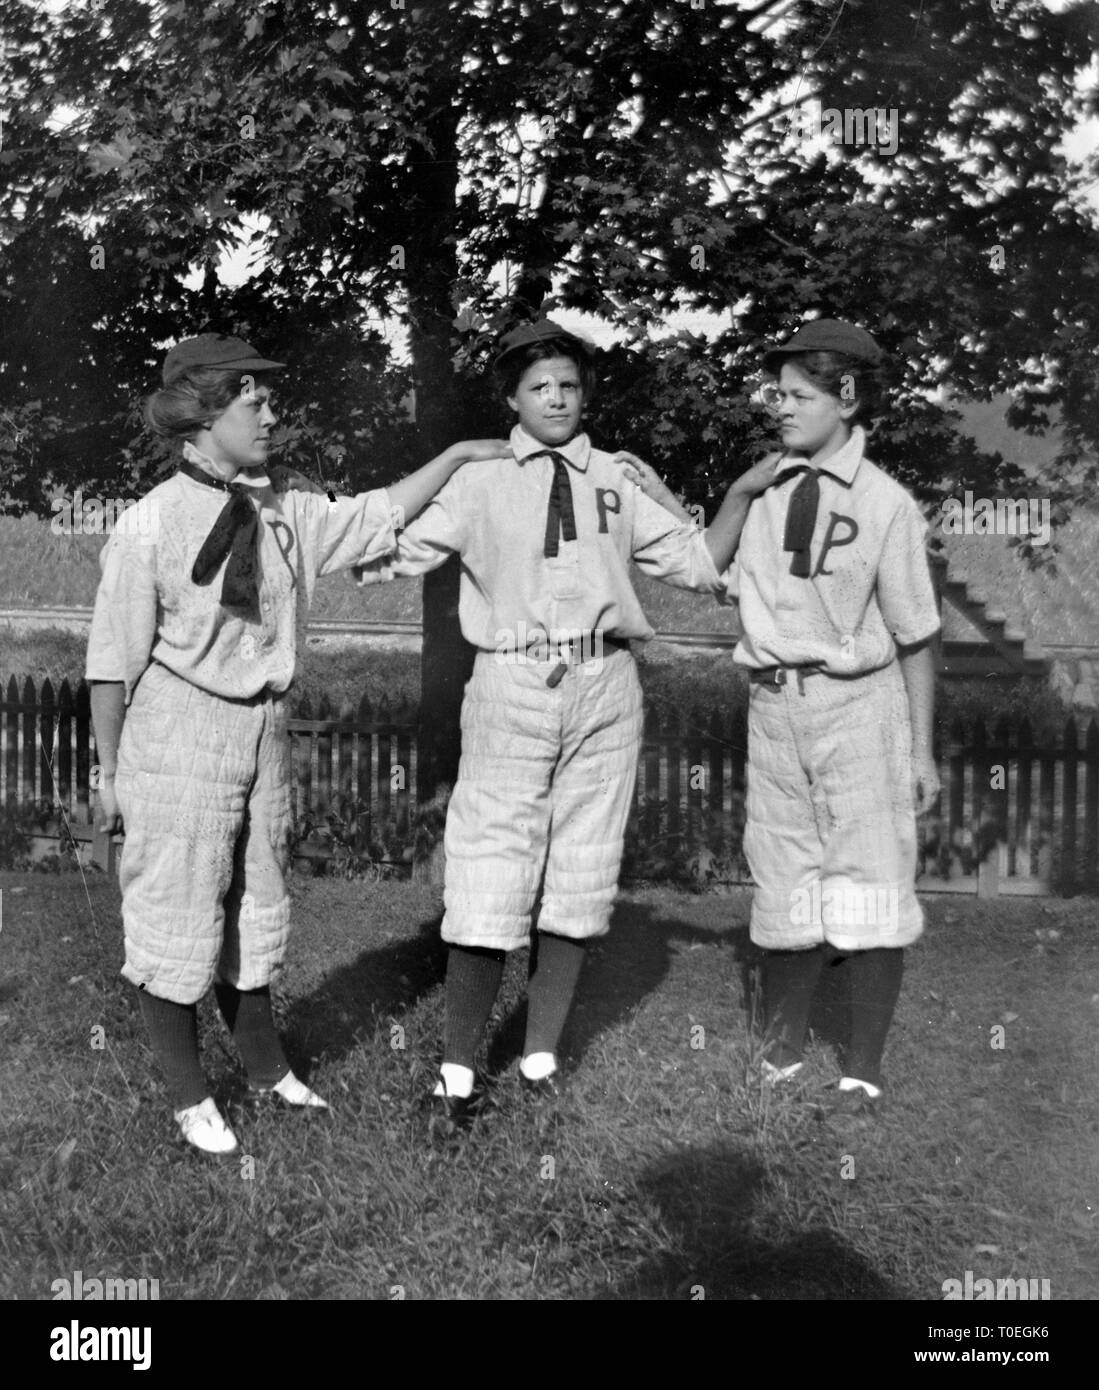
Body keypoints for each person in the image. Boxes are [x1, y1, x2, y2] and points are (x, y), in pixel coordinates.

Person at [86, 332, 507, 1154]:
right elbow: (111, 667)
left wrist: (456, 454)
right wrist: (108, 775)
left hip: (263, 735)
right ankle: (189, 1096)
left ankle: (266, 1068)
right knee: (174, 908)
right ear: (205, 415)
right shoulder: (148, 526)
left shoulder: (287, 510)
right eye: (256, 403)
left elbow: (378, 514)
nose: (273, 416)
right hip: (176, 735)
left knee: (256, 901)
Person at [354, 318, 752, 1129]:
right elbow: (378, 555)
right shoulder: (480, 483)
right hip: (512, 680)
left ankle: (537, 1058)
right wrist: (444, 468)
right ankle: (459, 1075)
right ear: (511, 398)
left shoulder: (614, 478)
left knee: (581, 865)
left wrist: (727, 493)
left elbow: (702, 565)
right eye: (540, 388)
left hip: (606, 681)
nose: (558, 399)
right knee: (490, 868)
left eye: (570, 385)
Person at [629, 319, 940, 1113]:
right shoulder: (767, 491)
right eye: (776, 394)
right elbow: (714, 572)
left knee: (867, 879)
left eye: (798, 396)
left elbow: (915, 638)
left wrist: (921, 753)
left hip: (856, 710)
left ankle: (863, 1069)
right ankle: (781, 1055)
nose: (780, 409)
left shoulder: (885, 505)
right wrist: (680, 496)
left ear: (848, 397)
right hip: (772, 708)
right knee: (784, 873)